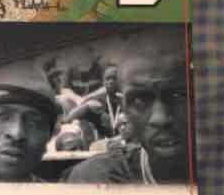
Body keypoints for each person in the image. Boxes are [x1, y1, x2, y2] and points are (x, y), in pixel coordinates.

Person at [67, 30, 190, 184]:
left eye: (179, 96)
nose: (161, 118)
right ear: (124, 107)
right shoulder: (96, 178)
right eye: (139, 101)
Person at [63, 64, 122, 139]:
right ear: (103, 82)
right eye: (108, 79)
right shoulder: (99, 100)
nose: (111, 81)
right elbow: (83, 104)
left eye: (114, 78)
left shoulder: (123, 98)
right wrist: (67, 120)